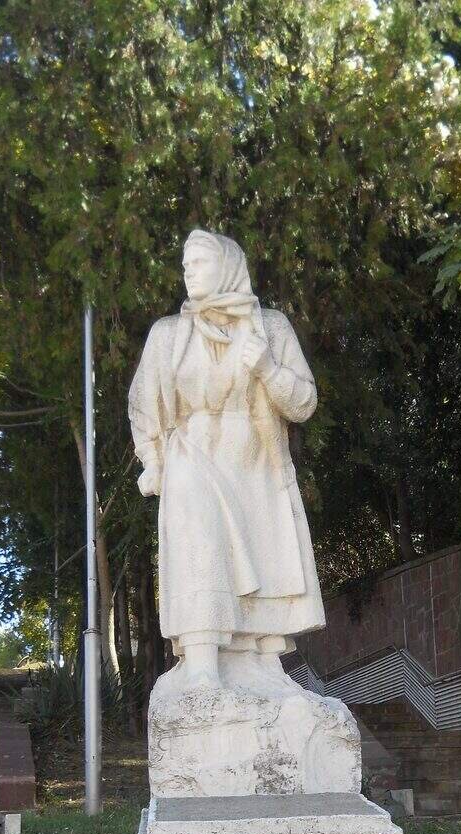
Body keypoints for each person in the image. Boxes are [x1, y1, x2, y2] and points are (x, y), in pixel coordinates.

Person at [128, 229, 325, 689]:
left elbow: (304, 403)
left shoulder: (271, 327)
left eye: (199, 262)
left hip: (255, 463)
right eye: (185, 264)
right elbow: (143, 403)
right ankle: (202, 664)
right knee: (199, 551)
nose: (188, 271)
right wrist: (152, 459)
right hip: (191, 456)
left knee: (264, 560)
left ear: (228, 267)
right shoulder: (168, 335)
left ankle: (264, 668)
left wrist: (268, 369)